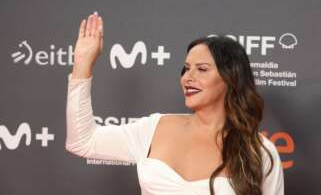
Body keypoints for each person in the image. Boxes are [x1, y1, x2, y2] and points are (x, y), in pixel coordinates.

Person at [65, 11, 284, 195]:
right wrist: (83, 63)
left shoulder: (260, 152)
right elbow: (82, 141)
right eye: (187, 68)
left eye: (202, 69)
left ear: (230, 79)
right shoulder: (154, 128)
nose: (188, 77)